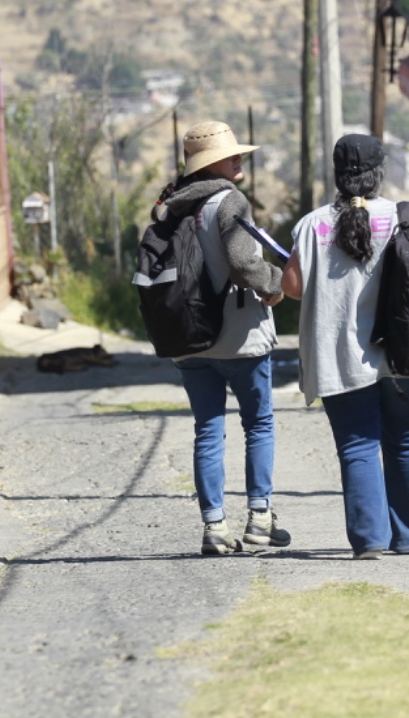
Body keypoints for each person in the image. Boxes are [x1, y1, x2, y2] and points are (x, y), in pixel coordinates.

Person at [281, 134, 409, 559]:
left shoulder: (312, 225)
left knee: (357, 446)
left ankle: (368, 540)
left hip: (340, 356)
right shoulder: (406, 215)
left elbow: (292, 287)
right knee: (406, 444)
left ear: (337, 175)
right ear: (379, 172)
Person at [153, 121, 289, 555]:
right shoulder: (229, 200)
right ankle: (260, 518)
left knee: (208, 430)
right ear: (212, 163)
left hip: (189, 337)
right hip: (240, 335)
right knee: (259, 423)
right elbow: (243, 262)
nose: (239, 159)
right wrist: (275, 284)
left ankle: (214, 526)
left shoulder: (172, 207)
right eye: (232, 155)